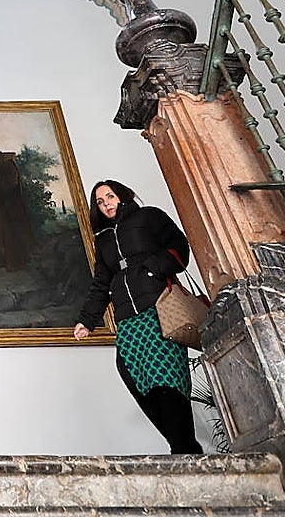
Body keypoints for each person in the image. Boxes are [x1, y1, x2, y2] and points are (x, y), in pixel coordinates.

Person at [73, 179, 203, 455]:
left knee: (166, 380)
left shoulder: (149, 216)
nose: (106, 203)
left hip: (158, 309)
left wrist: (153, 269)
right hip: (127, 320)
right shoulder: (104, 239)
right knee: (134, 377)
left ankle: (183, 448)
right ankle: (183, 446)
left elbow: (179, 247)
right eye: (100, 201)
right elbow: (101, 283)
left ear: (123, 196)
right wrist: (87, 320)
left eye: (110, 196)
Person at [0, 141, 35, 270]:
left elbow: (12, 183)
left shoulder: (6, 161)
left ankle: (17, 263)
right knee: (3, 233)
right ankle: (6, 261)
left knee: (13, 233)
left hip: (10, 205)